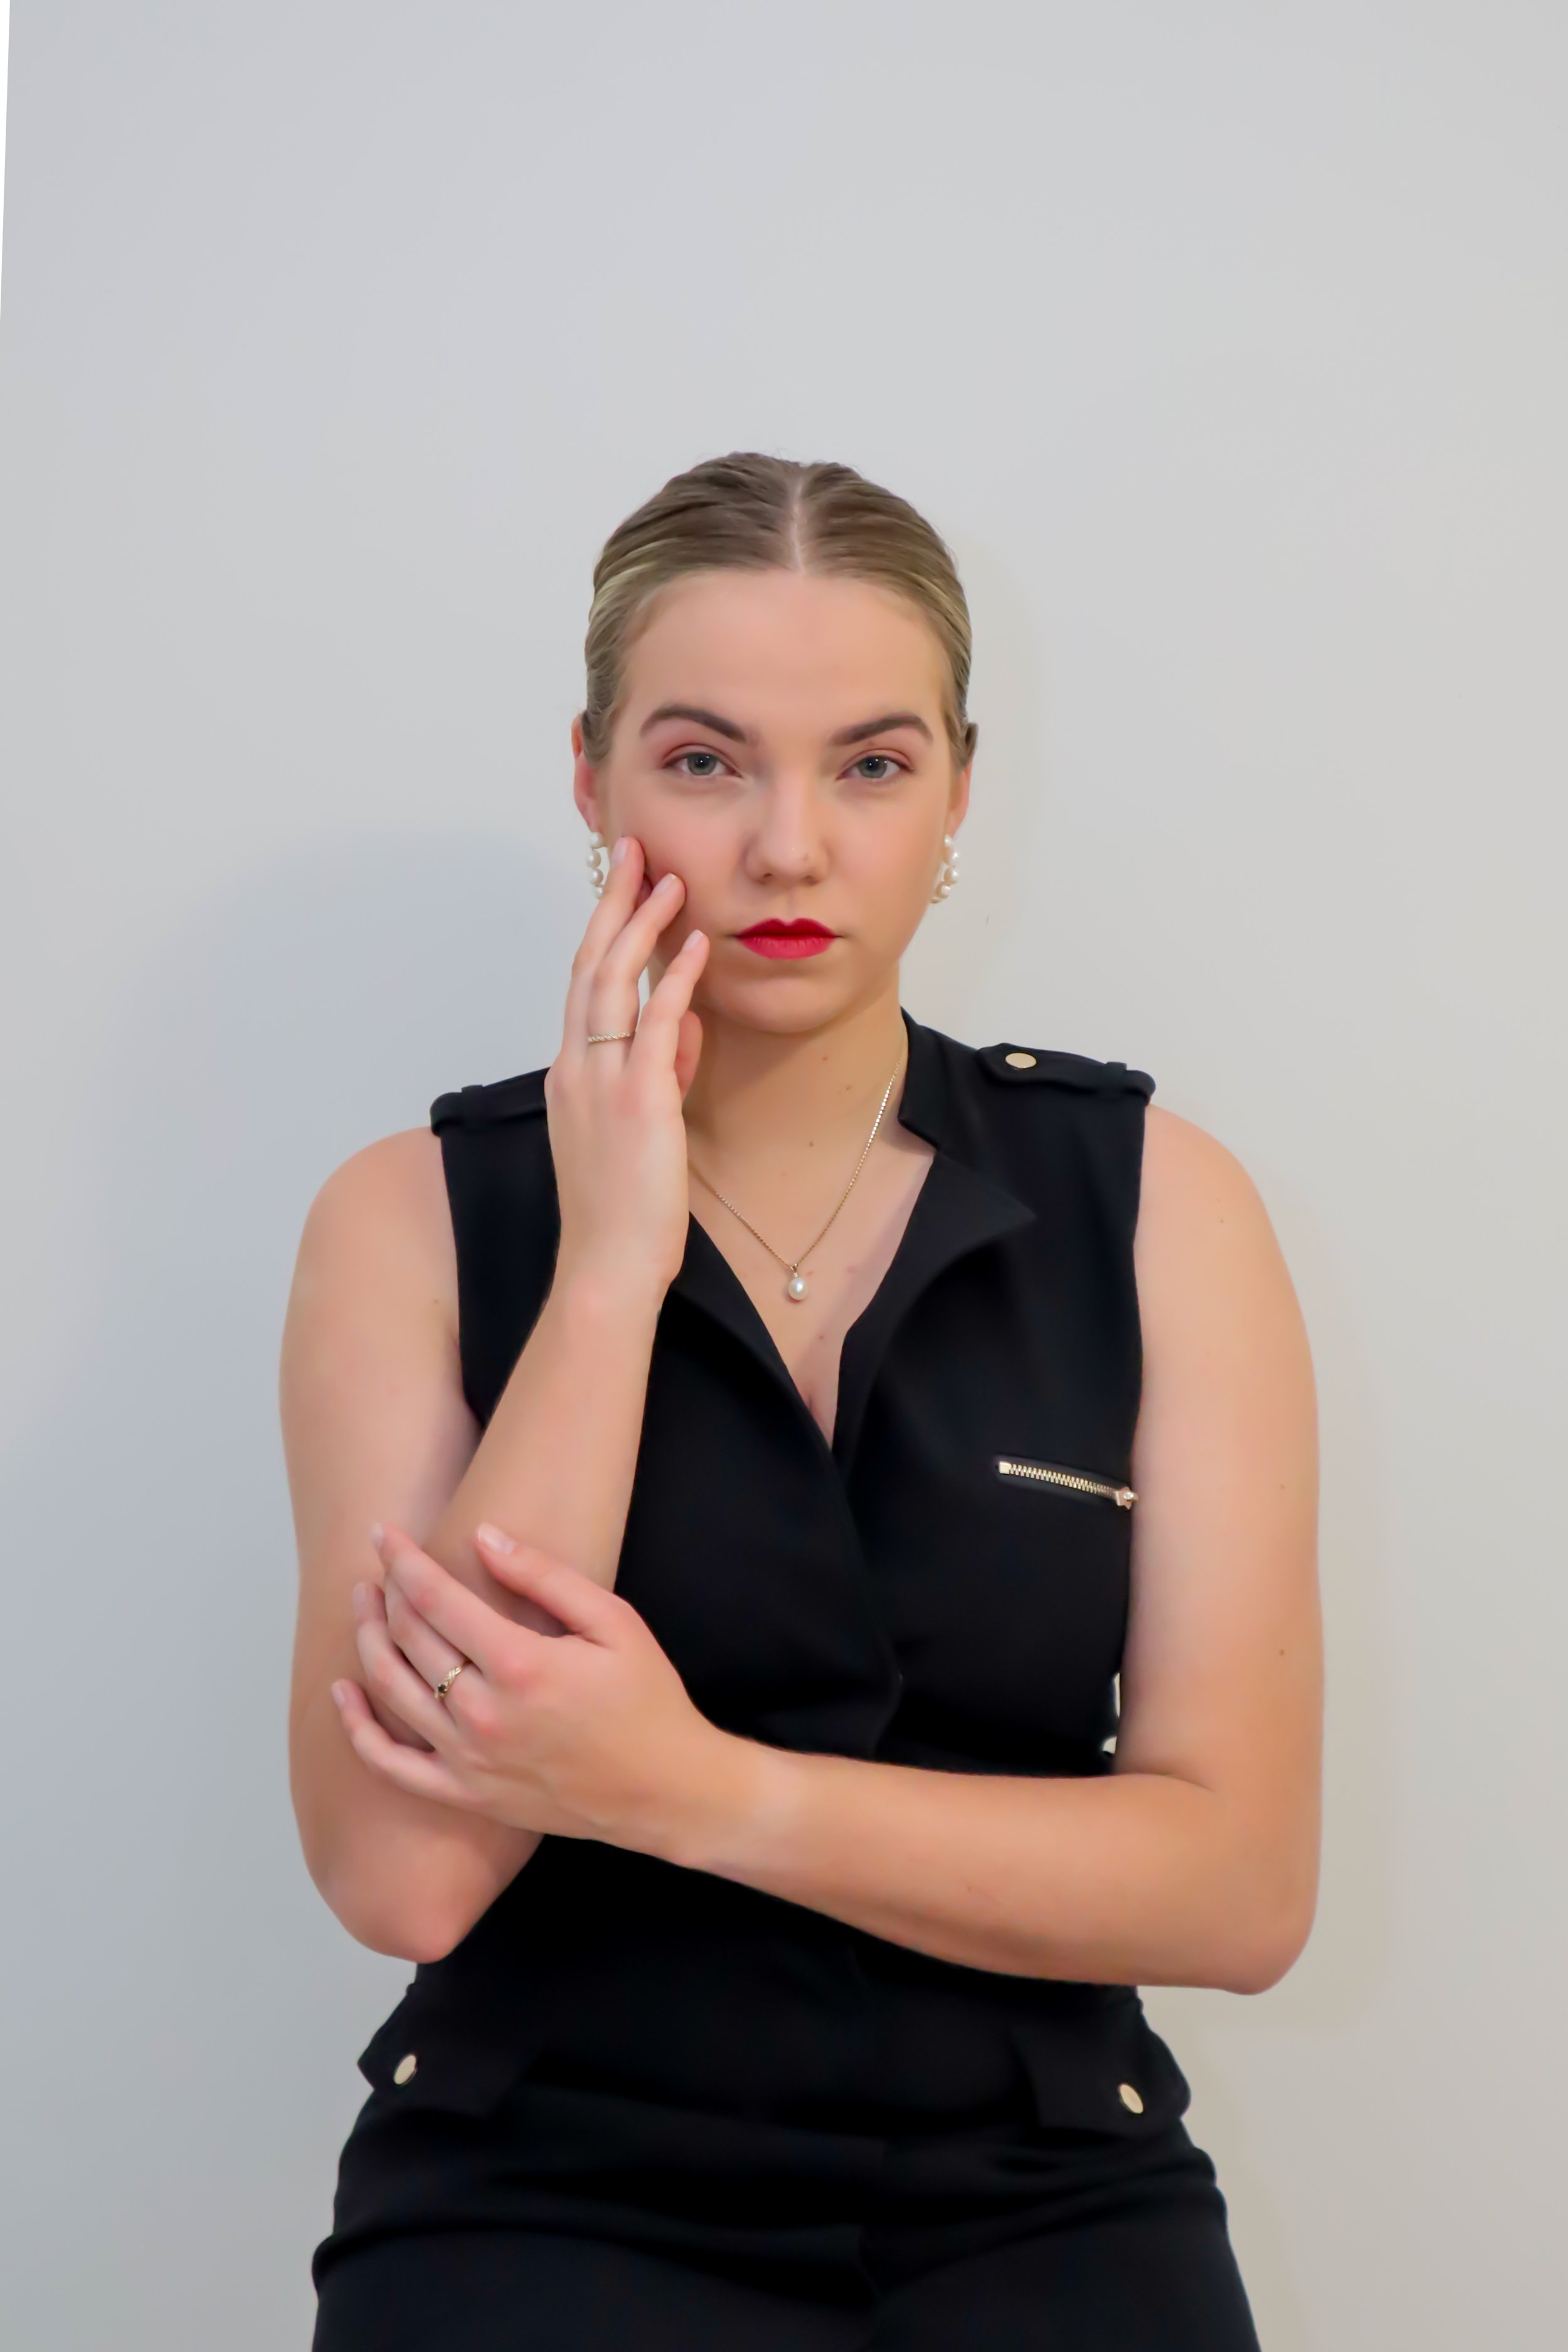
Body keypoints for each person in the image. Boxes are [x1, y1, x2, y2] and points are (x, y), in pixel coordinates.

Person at [282, 452, 1322, 2350]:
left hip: (1045, 2194)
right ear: (590, 777)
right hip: (543, 2187)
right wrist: (609, 1264)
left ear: (957, 794)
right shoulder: (415, 1219)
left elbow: (1239, 1886)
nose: (786, 847)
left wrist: (695, 1792)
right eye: (702, 761)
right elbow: (407, 1871)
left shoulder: (1155, 1200)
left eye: (868, 762)